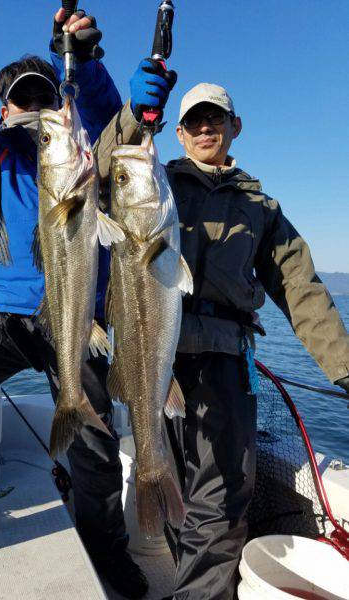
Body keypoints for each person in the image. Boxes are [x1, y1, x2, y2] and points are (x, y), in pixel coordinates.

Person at [0, 3, 173, 598]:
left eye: (43, 98)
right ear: (1, 109)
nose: (32, 108)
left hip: (72, 321)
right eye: (21, 100)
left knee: (96, 445)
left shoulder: (78, 157)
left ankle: (105, 554)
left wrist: (78, 59)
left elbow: (105, 120)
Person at [141, 82, 349, 599]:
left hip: (225, 361)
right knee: (166, 482)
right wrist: (132, 116)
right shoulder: (153, 184)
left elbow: (301, 288)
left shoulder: (261, 207)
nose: (206, 128)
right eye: (194, 121)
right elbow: (95, 173)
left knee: (221, 497)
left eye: (217, 119)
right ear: (180, 133)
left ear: (236, 127)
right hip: (154, 354)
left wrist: (344, 367)